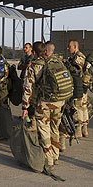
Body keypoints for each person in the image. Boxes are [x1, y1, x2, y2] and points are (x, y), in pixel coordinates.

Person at [21, 41, 69, 170]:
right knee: (55, 128)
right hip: (59, 101)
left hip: (44, 104)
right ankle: (55, 156)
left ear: (35, 53)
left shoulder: (34, 66)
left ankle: (48, 162)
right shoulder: (56, 61)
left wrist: (25, 107)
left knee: (44, 131)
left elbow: (27, 87)